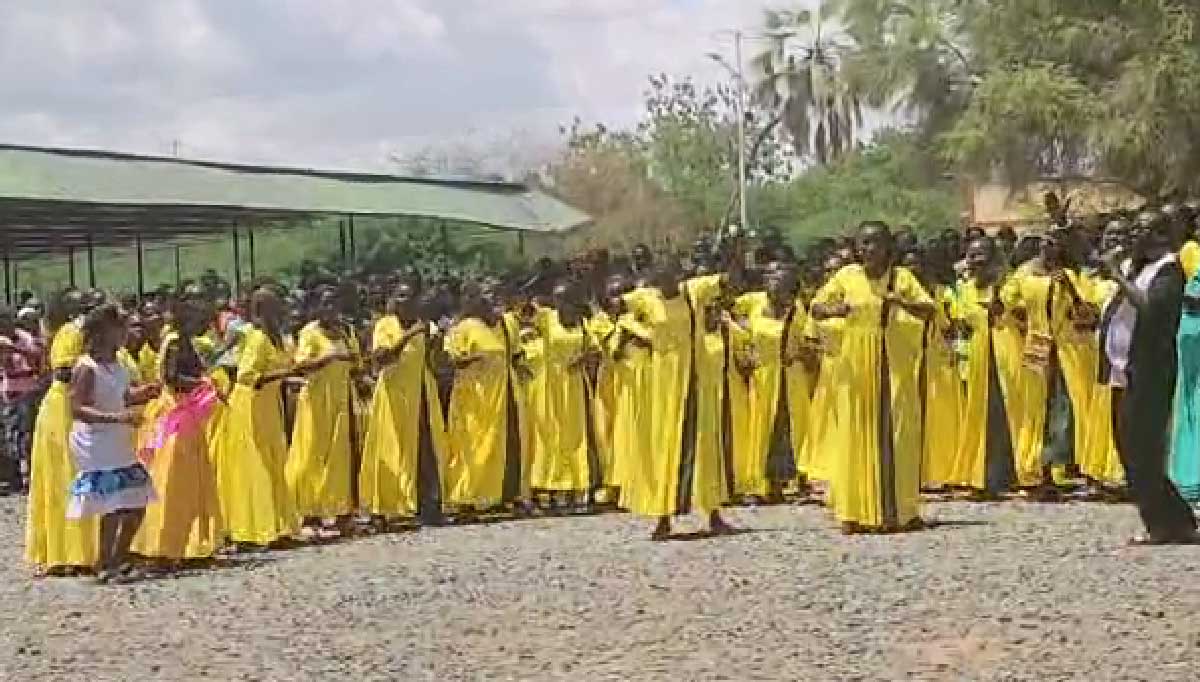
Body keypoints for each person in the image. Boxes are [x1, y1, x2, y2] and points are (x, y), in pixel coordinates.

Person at [811, 222, 934, 534]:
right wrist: (832, 309)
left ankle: (902, 510)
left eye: (876, 243)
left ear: (888, 247)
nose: (870, 250)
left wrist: (901, 302)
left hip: (893, 363)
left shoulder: (901, 277)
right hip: (855, 366)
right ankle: (854, 511)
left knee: (899, 435)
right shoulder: (846, 276)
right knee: (855, 434)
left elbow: (928, 310)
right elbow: (816, 307)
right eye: (864, 244)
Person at [1104, 211, 1198, 544]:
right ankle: (1170, 520)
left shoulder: (1169, 270)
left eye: (1140, 229)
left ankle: (1170, 524)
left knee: (1143, 450)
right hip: (1126, 372)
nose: (1133, 236)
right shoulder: (1140, 268)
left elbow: (1153, 310)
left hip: (1152, 372)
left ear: (1158, 234)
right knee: (1130, 449)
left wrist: (1117, 276)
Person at [66, 304, 157, 584]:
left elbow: (123, 394)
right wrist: (116, 417)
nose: (125, 334)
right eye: (121, 329)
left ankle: (119, 556)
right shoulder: (86, 368)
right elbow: (78, 408)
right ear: (105, 332)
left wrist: (145, 393)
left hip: (118, 438)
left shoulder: (118, 364)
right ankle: (105, 563)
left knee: (136, 501)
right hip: (96, 442)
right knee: (112, 506)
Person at [132, 298, 224, 562]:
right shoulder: (173, 342)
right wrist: (203, 383)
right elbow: (171, 378)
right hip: (176, 413)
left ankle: (188, 542)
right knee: (171, 480)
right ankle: (164, 544)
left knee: (189, 481)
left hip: (188, 412)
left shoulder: (184, 341)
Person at [216, 287, 300, 547]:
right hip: (249, 406)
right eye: (274, 308)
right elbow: (247, 376)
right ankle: (253, 530)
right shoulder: (256, 338)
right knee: (256, 467)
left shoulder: (278, 339)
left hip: (269, 406)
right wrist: (286, 376)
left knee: (275, 463)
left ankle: (277, 525)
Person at [359, 284, 447, 526]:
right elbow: (380, 358)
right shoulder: (385, 326)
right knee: (393, 448)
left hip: (420, 394)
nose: (405, 301)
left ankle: (426, 505)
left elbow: (436, 362)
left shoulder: (423, 326)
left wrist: (437, 343)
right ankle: (393, 505)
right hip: (394, 397)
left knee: (426, 450)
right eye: (400, 296)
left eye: (410, 297)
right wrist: (409, 335)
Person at [25, 289, 99, 574]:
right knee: (67, 477)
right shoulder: (71, 332)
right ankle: (69, 552)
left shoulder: (74, 331)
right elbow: (66, 372)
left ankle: (75, 549)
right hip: (63, 409)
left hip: (65, 404)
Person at [286, 288, 360, 535]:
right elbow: (300, 365)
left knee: (340, 456)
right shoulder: (310, 333)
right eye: (326, 304)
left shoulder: (346, 331)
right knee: (311, 455)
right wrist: (327, 358)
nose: (332, 308)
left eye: (335, 303)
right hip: (316, 401)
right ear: (317, 307)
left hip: (341, 400)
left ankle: (340, 510)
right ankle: (310, 513)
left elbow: (357, 363)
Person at [953, 236, 1017, 497]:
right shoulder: (965, 289)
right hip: (978, 358)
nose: (975, 261)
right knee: (981, 418)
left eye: (981, 255)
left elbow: (1012, 312)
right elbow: (961, 322)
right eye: (971, 255)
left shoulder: (1006, 285)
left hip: (1005, 355)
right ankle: (980, 475)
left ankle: (1006, 476)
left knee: (1005, 416)